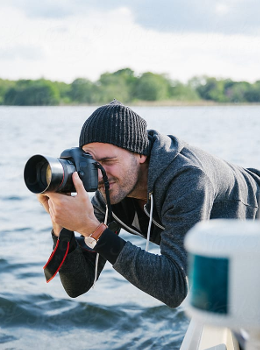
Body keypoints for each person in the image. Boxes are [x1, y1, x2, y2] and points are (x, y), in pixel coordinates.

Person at [37, 99, 260, 308]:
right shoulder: (111, 191)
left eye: (107, 161)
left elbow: (175, 288)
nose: (100, 174)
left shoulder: (187, 179)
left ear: (140, 154)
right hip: (234, 251)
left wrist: (92, 230)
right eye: (91, 163)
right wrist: (61, 226)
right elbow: (79, 285)